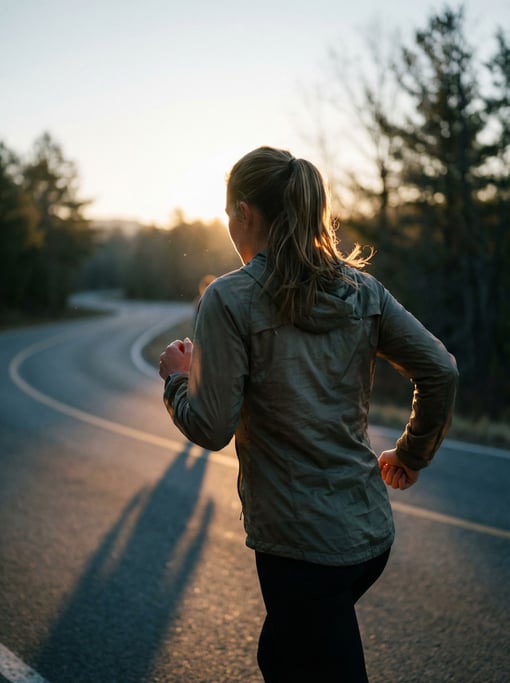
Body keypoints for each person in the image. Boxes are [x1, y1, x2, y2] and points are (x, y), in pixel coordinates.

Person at [159, 146, 458, 682]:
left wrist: (179, 379)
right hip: (368, 533)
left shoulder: (230, 298)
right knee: (284, 657)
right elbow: (441, 369)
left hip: (301, 549)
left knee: (304, 664)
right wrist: (412, 452)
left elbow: (210, 426)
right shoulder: (362, 289)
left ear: (245, 213)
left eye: (230, 214)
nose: (229, 226)